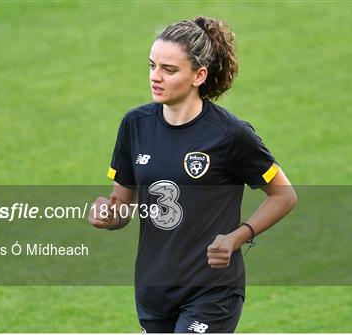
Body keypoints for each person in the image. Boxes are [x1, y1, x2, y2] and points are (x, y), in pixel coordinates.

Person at [89, 16, 297, 333]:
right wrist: (108, 213)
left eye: (169, 70)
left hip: (212, 291)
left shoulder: (230, 134)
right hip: (154, 287)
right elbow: (123, 205)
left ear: (199, 75)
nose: (155, 77)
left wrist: (236, 237)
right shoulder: (135, 125)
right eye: (152, 66)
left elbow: (284, 195)